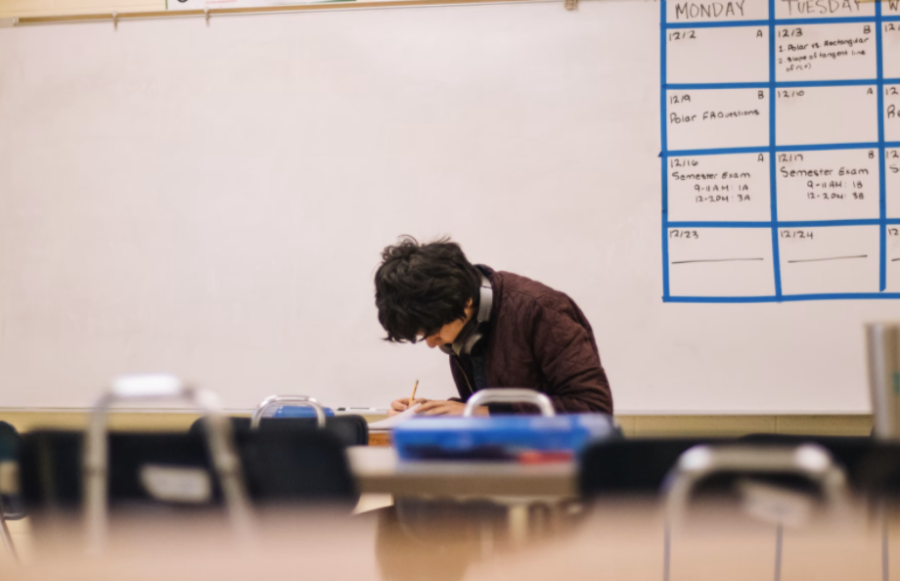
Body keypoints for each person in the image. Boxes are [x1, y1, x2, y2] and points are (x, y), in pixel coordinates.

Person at [374, 236, 613, 416]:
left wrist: (481, 414)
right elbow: (492, 403)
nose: (431, 344)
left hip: (560, 471)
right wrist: (433, 412)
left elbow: (594, 408)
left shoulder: (541, 309)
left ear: (465, 301)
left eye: (434, 332)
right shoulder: (465, 327)